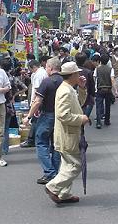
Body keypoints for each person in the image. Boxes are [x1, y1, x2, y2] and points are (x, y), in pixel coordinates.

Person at [45, 62, 90, 205]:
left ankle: (64, 194)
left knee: (66, 164)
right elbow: (63, 115)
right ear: (73, 75)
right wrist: (81, 119)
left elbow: (79, 104)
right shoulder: (65, 90)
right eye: (77, 73)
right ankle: (53, 187)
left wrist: (82, 88)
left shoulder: (69, 88)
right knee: (76, 165)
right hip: (67, 134)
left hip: (69, 133)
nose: (80, 75)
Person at [24, 58, 64, 185]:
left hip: (47, 115)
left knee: (41, 143)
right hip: (60, 116)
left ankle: (50, 172)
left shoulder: (47, 82)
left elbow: (37, 101)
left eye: (46, 67)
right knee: (56, 145)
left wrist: (28, 116)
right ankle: (55, 172)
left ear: (50, 68)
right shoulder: (64, 81)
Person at [0, 59, 27, 156]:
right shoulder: (12, 78)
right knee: (5, 128)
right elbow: (25, 87)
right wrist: (14, 95)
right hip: (8, 105)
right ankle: (4, 150)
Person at [20, 60, 48, 148]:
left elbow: (37, 89)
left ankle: (31, 139)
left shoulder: (39, 74)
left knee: (35, 120)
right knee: (38, 120)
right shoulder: (42, 72)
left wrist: (34, 102)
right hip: (41, 100)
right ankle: (35, 139)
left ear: (33, 67)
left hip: (38, 101)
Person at [93, 53, 118, 129]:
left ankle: (98, 122)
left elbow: (94, 78)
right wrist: (115, 90)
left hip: (99, 89)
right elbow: (112, 79)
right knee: (107, 105)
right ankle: (107, 120)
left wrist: (94, 86)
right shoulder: (110, 69)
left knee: (98, 106)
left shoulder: (97, 68)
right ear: (107, 61)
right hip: (108, 89)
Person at [75, 52, 95, 118]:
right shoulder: (88, 72)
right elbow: (92, 85)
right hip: (86, 97)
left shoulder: (72, 71)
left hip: (74, 96)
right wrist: (92, 94)